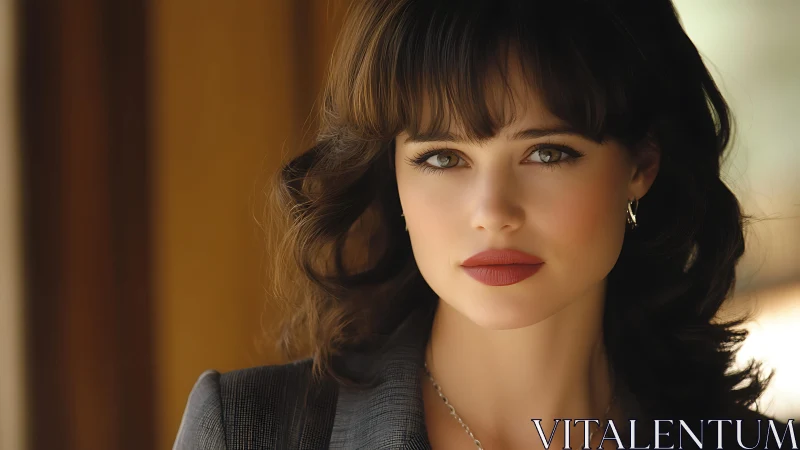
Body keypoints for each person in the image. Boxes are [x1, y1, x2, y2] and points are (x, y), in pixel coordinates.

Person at [173, 0, 799, 449]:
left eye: (547, 153)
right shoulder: (247, 430)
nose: (493, 212)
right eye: (442, 158)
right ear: (393, 174)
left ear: (640, 164)